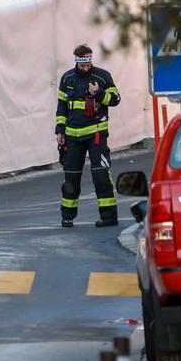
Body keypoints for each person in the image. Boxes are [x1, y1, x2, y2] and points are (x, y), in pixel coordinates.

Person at [56, 44, 122, 228]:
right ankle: (67, 217)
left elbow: (116, 99)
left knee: (100, 175)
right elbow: (61, 107)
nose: (85, 68)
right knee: (71, 179)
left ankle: (109, 217)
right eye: (82, 65)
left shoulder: (102, 76)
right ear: (76, 61)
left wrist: (99, 93)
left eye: (88, 64)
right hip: (72, 137)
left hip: (96, 135)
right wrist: (59, 130)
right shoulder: (67, 78)